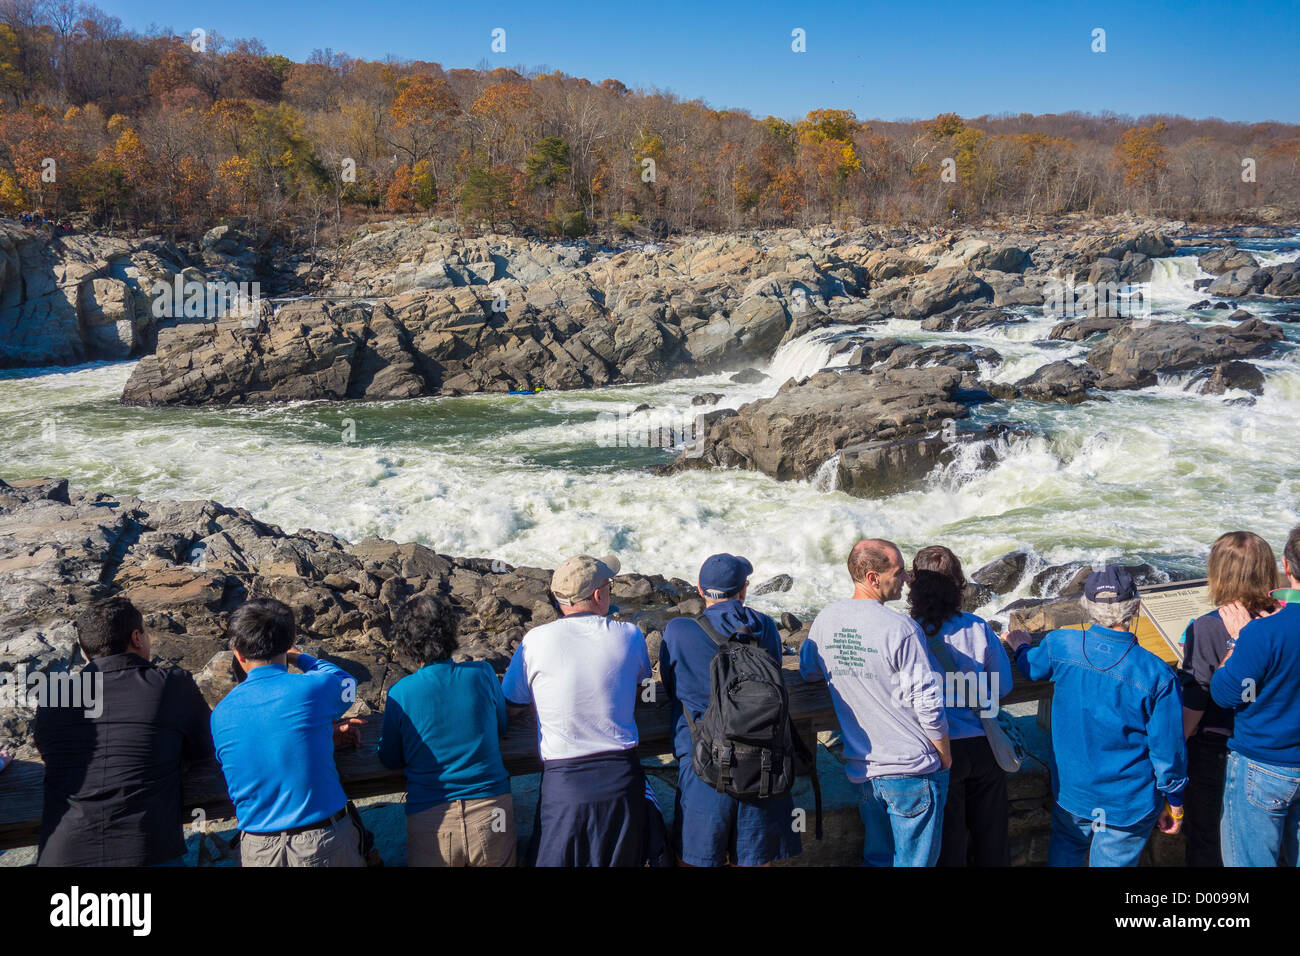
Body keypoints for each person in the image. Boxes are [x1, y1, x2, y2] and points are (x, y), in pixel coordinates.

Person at [1006, 565, 1186, 866]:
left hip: (1073, 793)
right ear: (1136, 607)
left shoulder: (1061, 644)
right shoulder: (1157, 674)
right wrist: (1176, 802)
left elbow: (1031, 667)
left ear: (1086, 607)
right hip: (1128, 802)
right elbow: (1168, 753)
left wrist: (1020, 646)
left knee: (1065, 855)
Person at [799, 539, 952, 866]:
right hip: (911, 769)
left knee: (879, 858)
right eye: (898, 573)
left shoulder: (826, 619)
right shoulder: (902, 629)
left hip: (864, 770)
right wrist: (944, 753)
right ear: (872, 577)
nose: (907, 580)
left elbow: (810, 672)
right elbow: (928, 703)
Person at [35, 596, 214, 866]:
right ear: (137, 638)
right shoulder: (171, 685)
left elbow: (54, 754)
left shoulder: (52, 695)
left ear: (85, 652)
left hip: (63, 853)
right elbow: (205, 750)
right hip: (146, 850)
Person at [502, 554, 652, 866]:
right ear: (599, 595)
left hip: (565, 783)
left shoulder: (534, 641)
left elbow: (512, 706)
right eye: (609, 586)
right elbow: (642, 689)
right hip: (621, 777)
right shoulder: (630, 636)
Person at [659, 553, 802, 867]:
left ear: (699, 588)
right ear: (744, 589)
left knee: (695, 858)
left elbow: (670, 687)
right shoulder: (763, 626)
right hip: (763, 761)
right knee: (754, 858)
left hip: (703, 762)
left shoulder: (679, 631)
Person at [210, 598, 365, 867]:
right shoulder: (311, 689)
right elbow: (348, 684)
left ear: (238, 652)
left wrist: (322, 734)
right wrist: (298, 656)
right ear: (289, 639)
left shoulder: (220, 713)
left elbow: (263, 747)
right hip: (321, 840)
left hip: (258, 847)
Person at [379, 595, 515, 866]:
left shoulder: (400, 694)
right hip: (494, 810)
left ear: (406, 647)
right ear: (451, 635)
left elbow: (390, 758)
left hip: (432, 819)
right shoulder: (484, 674)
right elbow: (502, 725)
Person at [1179, 531, 1281, 866]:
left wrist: (1178, 743)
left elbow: (1197, 698)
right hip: (1274, 746)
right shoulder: (1282, 617)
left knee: (1207, 839)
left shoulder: (1207, 627)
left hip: (1218, 750)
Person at [907, 545, 1013, 866]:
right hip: (983, 744)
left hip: (935, 748)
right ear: (960, 585)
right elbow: (1003, 687)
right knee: (991, 839)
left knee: (948, 843)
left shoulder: (906, 631)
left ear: (913, 586)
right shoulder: (978, 627)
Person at [1211, 525, 1300, 867]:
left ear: (1287, 567)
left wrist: (1236, 640)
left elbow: (1225, 694)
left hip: (1264, 765)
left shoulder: (1261, 633)